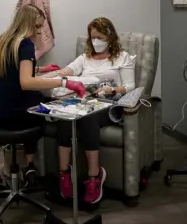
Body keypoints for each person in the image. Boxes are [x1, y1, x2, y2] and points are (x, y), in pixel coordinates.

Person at [0, 4, 87, 190]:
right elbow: (26, 83)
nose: (39, 32)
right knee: (46, 107)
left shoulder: (3, 41)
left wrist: (40, 69)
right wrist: (65, 83)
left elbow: (11, 71)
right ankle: (32, 166)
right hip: (20, 115)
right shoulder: (25, 44)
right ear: (28, 24)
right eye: (37, 26)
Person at [43, 17, 136, 204]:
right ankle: (64, 174)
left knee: (88, 119)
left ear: (110, 37)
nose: (96, 42)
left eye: (100, 37)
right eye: (92, 38)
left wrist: (113, 90)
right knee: (65, 117)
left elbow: (130, 86)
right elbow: (65, 71)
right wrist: (42, 78)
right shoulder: (85, 58)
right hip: (83, 101)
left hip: (106, 104)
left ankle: (94, 176)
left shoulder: (121, 57)